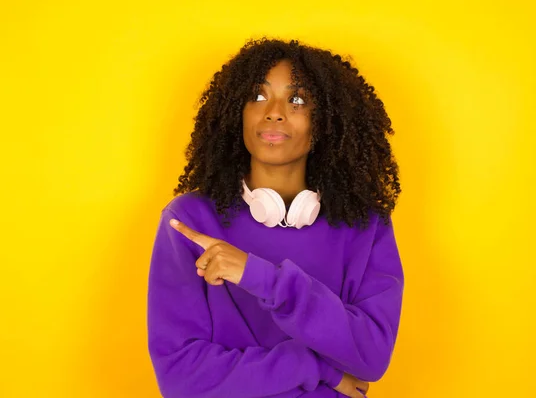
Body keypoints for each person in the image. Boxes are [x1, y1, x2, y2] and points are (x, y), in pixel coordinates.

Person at [147, 37, 404, 398]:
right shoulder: (189, 222)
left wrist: (260, 277)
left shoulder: (365, 225)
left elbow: (371, 358)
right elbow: (180, 378)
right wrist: (319, 369)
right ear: (238, 113)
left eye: (297, 100)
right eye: (258, 96)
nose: (274, 111)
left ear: (325, 122)